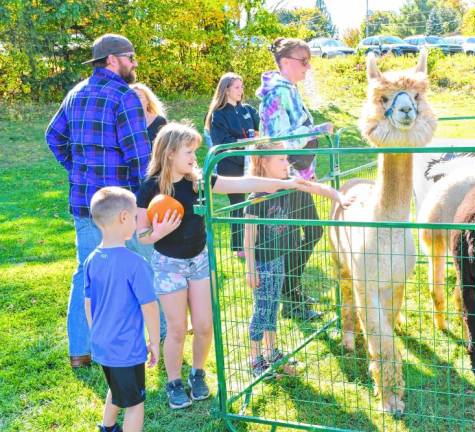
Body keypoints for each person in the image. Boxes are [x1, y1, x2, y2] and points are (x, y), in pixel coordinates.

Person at [135, 121, 307, 409]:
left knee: (204, 325)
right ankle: (174, 382)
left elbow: (244, 183)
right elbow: (141, 236)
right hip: (169, 265)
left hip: (200, 262)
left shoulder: (197, 180)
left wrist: (284, 183)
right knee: (177, 329)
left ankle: (198, 373)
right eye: (188, 152)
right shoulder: (149, 187)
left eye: (195, 152)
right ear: (169, 154)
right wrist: (158, 234)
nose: (194, 158)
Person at [45, 33, 151, 368]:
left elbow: (53, 136)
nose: (133, 63)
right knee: (146, 265)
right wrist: (145, 200)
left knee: (84, 273)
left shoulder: (75, 93)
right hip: (120, 206)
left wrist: (76, 168)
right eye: (129, 57)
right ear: (111, 60)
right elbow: (140, 156)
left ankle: (80, 352)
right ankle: (160, 340)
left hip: (83, 201)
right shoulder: (124, 97)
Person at [244, 142, 351, 377]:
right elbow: (248, 238)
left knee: (272, 309)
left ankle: (271, 353)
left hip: (279, 260)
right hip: (263, 265)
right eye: (281, 159)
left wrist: (338, 196)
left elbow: (317, 188)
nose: (287, 163)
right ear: (263, 162)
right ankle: (255, 359)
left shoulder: (289, 184)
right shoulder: (256, 197)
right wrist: (251, 269)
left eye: (286, 158)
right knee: (262, 311)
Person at [257, 37, 333, 321]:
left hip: (292, 176)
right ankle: (290, 296)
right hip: (282, 177)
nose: (308, 66)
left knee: (307, 233)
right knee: (305, 234)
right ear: (286, 62)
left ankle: (291, 293)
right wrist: (316, 131)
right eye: (304, 61)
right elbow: (281, 141)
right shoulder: (278, 93)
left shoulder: (288, 90)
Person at [84, 187, 160, 432]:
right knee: (135, 403)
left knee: (117, 388)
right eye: (135, 217)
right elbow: (149, 307)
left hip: (103, 344)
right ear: (124, 218)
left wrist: (96, 333)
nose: (138, 222)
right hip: (126, 347)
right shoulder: (135, 263)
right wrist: (155, 342)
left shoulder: (92, 259)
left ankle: (107, 427)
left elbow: (88, 302)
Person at [205, 73, 260, 258]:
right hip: (231, 165)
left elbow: (260, 131)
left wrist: (254, 139)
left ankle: (257, 240)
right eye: (237, 87)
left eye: (242, 86)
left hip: (251, 162)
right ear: (226, 89)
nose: (241, 90)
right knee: (238, 205)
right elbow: (221, 141)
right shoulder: (218, 114)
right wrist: (244, 141)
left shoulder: (248, 110)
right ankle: (239, 248)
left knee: (256, 201)